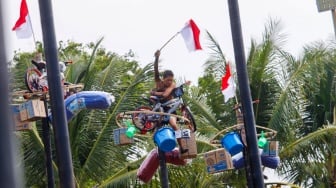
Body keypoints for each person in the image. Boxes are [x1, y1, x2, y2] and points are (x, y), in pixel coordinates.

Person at [150, 50, 188, 154]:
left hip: (170, 110)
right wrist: (157, 58)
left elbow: (166, 94)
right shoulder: (159, 83)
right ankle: (157, 140)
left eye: (171, 80)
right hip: (159, 109)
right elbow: (156, 71)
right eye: (168, 80)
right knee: (156, 126)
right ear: (163, 79)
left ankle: (181, 147)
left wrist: (155, 93)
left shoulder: (172, 85)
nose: (170, 82)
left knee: (175, 126)